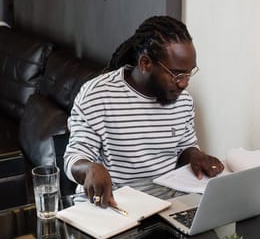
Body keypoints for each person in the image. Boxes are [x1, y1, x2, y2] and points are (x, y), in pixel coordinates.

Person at [63, 15, 224, 208]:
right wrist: (90, 168)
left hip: (165, 204)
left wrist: (195, 156)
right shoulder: (97, 95)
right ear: (145, 63)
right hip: (112, 205)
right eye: (176, 74)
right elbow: (74, 157)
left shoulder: (183, 101)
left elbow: (184, 148)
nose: (184, 83)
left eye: (189, 73)